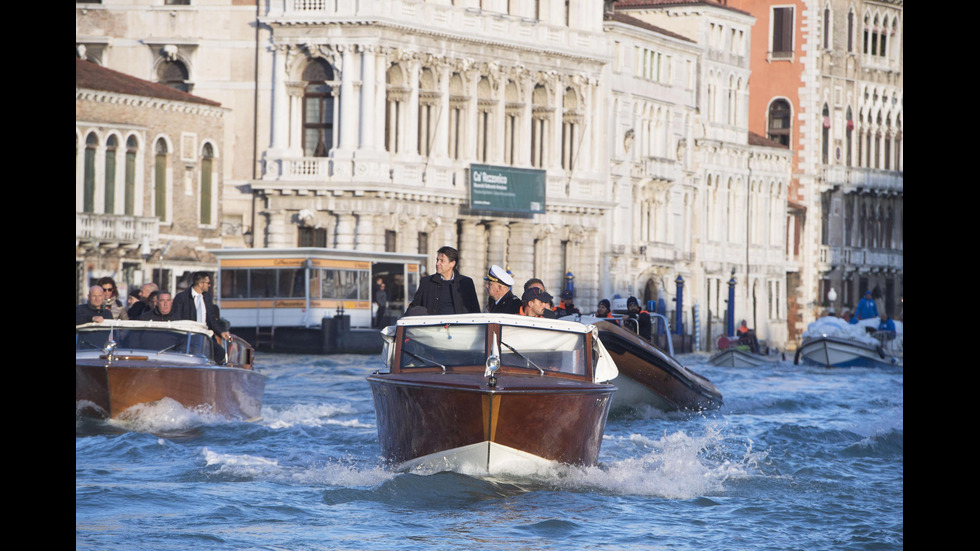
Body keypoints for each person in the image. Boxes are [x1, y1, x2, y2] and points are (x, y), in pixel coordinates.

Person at [409, 246, 481, 315]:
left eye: (442, 261)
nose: (437, 264)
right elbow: (414, 307)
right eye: (437, 260)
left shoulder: (466, 283)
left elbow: (475, 310)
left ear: (452, 263)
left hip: (459, 327)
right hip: (433, 327)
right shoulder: (426, 282)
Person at [173, 272, 231, 341]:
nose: (209, 285)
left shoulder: (207, 297)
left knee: (221, 351)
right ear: (200, 284)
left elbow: (212, 320)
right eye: (208, 283)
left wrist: (221, 332)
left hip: (206, 337)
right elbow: (177, 319)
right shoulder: (181, 298)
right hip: (188, 338)